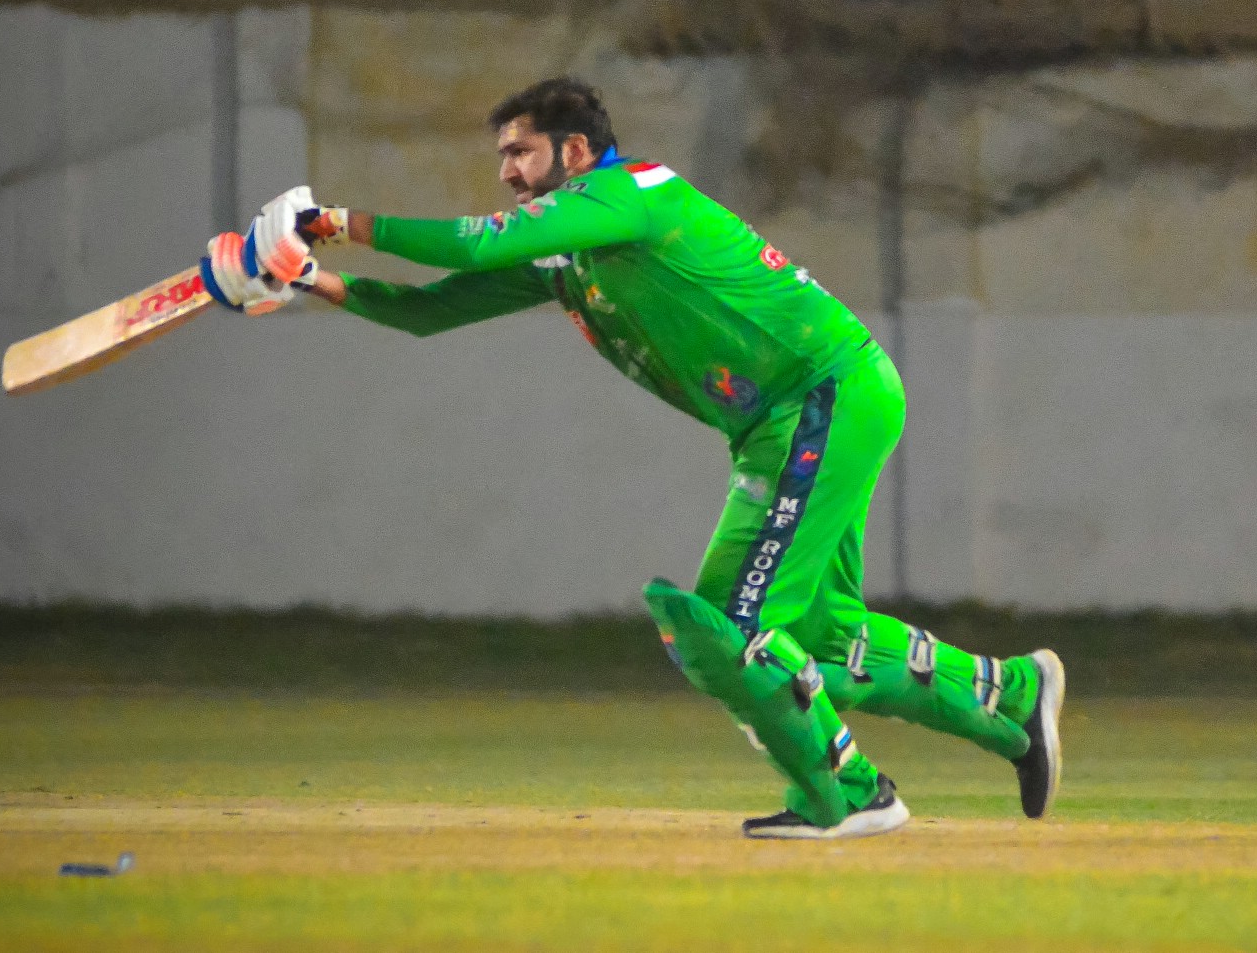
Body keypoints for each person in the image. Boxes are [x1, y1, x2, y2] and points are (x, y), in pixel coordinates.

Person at [200, 76, 1066, 840]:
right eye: (502, 157)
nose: (507, 173)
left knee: (728, 626)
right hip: (796, 416)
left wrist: (330, 223)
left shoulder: (630, 192)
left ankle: (850, 794)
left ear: (575, 151)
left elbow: (472, 242)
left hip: (822, 397)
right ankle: (1012, 697)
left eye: (521, 153)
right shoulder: (566, 254)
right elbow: (430, 311)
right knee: (812, 634)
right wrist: (304, 279)